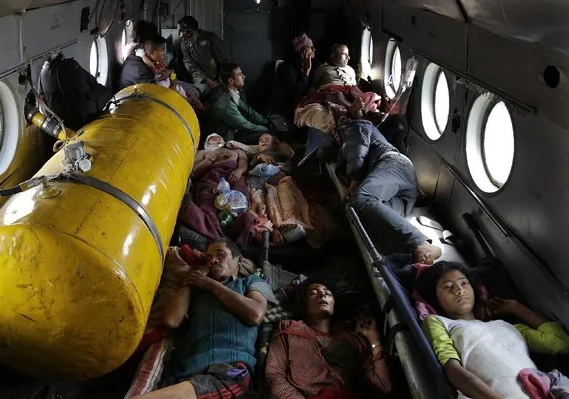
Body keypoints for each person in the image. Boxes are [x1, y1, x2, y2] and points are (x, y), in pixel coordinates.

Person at [134, 238, 275, 399]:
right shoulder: (196, 292)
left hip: (230, 372)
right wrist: (193, 280)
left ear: (239, 259)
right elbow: (171, 321)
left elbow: (255, 314)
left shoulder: (250, 282)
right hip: (185, 375)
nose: (213, 260)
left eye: (220, 254)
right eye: (208, 257)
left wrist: (210, 284)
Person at [415, 261, 569, 399]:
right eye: (447, 287)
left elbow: (559, 341)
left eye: (464, 283)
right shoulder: (440, 323)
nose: (459, 290)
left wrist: (516, 308)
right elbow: (453, 370)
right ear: (435, 298)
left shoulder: (506, 326)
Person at [265, 277, 393, 398]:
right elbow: (274, 375)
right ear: (305, 305)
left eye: (328, 293)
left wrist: (373, 338)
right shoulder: (288, 329)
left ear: (334, 303)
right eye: (313, 293)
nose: (323, 295)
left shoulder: (351, 339)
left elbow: (384, 385)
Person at [342, 115, 441, 264]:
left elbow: (360, 136)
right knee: (362, 216)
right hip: (400, 196)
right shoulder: (343, 146)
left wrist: (354, 179)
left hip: (395, 165)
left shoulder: (357, 126)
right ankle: (414, 258)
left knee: (361, 198)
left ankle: (421, 243)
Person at [209, 63, 270, 144]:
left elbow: (249, 110)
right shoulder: (225, 104)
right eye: (239, 75)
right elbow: (244, 125)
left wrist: (267, 122)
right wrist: (267, 129)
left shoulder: (237, 90)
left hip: (238, 125)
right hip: (229, 133)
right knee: (265, 132)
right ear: (231, 80)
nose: (244, 76)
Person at [268, 33, 315, 125]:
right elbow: (297, 91)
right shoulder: (288, 68)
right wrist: (307, 72)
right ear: (302, 51)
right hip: (285, 110)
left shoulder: (311, 64)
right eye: (310, 47)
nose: (314, 50)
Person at [178, 16, 230, 96]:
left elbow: (224, 60)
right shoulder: (184, 45)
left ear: (189, 31)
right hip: (201, 80)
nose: (179, 35)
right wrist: (207, 81)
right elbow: (191, 66)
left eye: (181, 31)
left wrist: (220, 79)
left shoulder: (210, 38)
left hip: (219, 78)